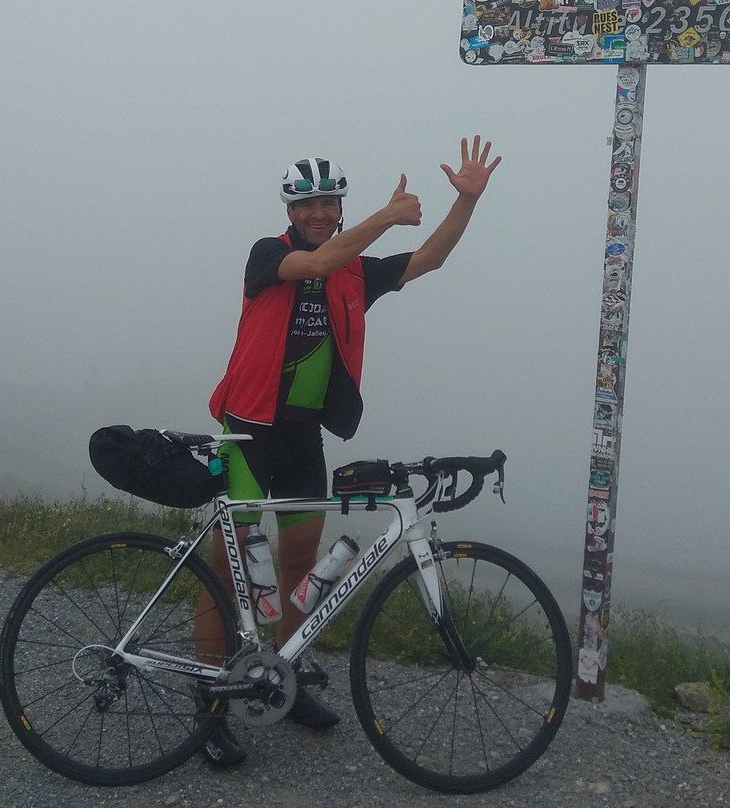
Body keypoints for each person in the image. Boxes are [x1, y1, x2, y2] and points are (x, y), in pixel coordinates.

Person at [195, 137, 501, 768]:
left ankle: (282, 674)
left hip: (303, 435)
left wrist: (465, 203)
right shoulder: (267, 256)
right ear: (290, 209)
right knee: (228, 566)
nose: (318, 212)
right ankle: (208, 703)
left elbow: (429, 259)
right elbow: (314, 265)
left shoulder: (356, 271)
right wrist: (384, 216)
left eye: (327, 202)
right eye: (307, 203)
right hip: (249, 430)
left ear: (338, 205)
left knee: (300, 563)